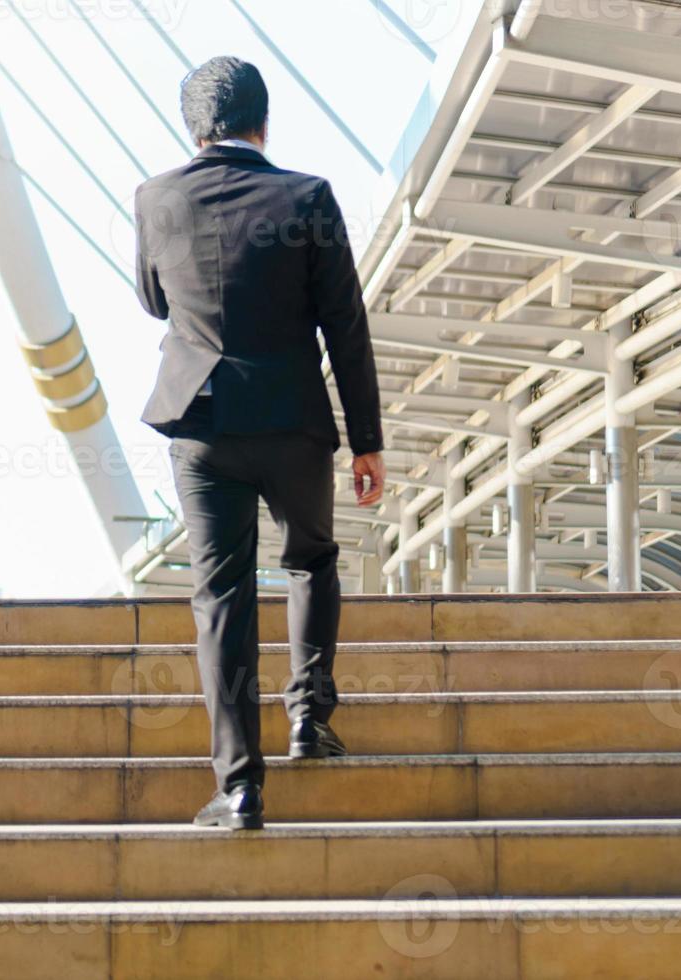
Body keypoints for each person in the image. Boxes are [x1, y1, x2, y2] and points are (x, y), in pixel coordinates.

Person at [134, 56, 385, 830]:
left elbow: (150, 299)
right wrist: (365, 440)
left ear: (192, 126)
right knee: (310, 561)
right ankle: (309, 720)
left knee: (222, 597)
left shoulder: (155, 197)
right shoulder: (307, 196)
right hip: (293, 421)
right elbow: (344, 322)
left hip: (200, 420)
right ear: (262, 121)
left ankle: (239, 786)